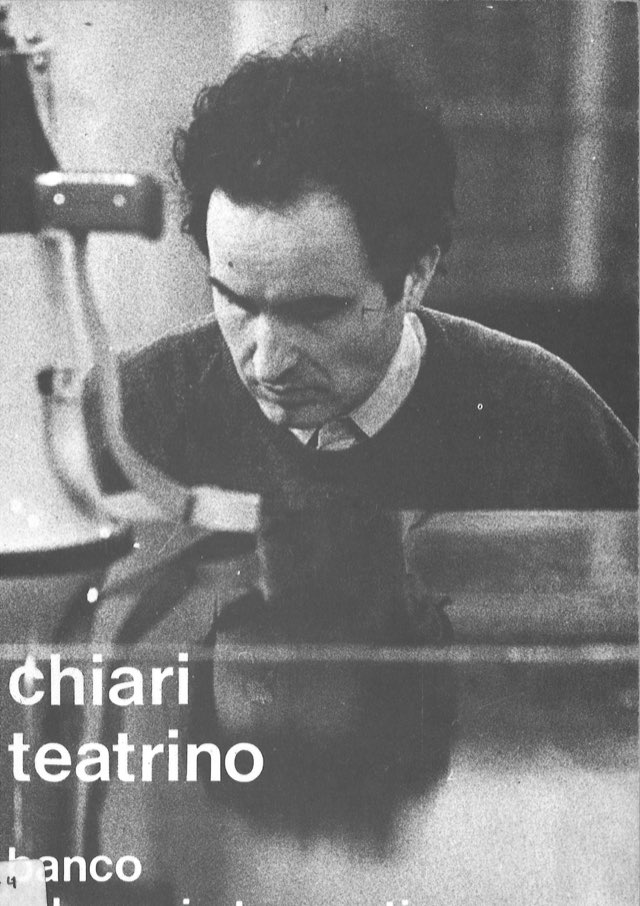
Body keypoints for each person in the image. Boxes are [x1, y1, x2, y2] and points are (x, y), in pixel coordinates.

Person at [86, 36, 637, 513]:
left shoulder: (546, 417)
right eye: (237, 301)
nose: (269, 363)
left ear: (416, 275)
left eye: (315, 311)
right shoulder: (126, 415)